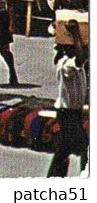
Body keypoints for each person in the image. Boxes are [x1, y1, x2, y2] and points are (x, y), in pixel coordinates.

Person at [49, 26, 88, 177]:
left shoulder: (73, 63)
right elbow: (81, 57)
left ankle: (53, 179)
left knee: (63, 151)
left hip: (73, 113)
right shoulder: (65, 64)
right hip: (67, 114)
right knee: (85, 148)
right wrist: (76, 34)